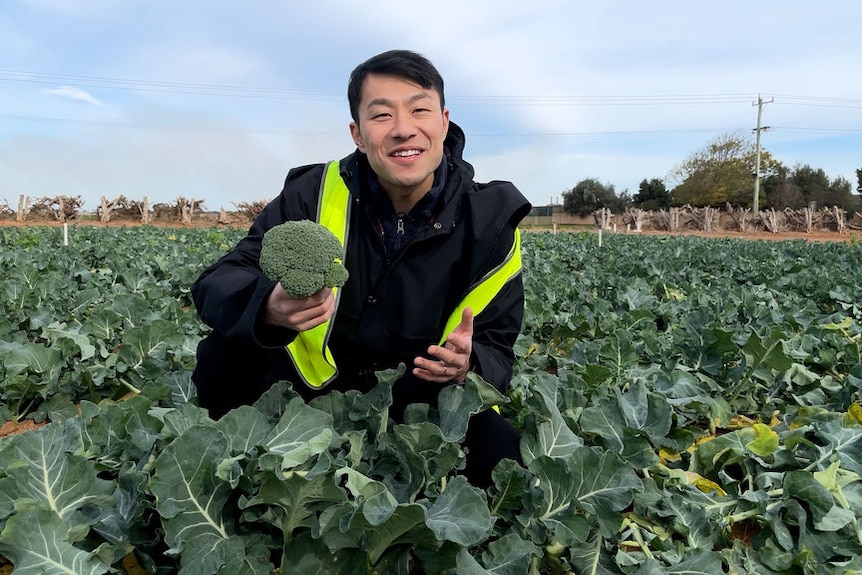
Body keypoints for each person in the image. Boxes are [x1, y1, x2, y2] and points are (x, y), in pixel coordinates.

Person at [191, 49, 531, 487]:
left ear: (444, 122)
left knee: (507, 464)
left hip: (420, 403)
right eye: (382, 115)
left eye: (419, 110)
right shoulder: (312, 194)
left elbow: (498, 348)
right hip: (313, 392)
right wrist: (266, 307)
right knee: (222, 357)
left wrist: (469, 364)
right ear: (357, 133)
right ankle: (240, 480)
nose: (404, 129)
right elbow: (216, 283)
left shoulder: (491, 222)